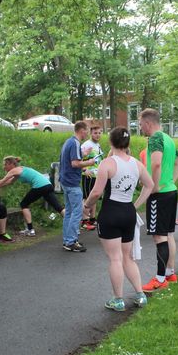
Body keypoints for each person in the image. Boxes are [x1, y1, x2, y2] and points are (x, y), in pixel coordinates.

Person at [85, 127, 154, 311]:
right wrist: (135, 205)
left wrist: (87, 205)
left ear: (111, 142)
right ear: (128, 143)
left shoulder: (107, 163)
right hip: (128, 212)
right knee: (127, 258)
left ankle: (118, 300)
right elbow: (150, 185)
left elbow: (97, 192)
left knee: (115, 259)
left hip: (111, 212)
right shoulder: (137, 164)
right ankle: (140, 295)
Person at [138, 108, 178, 292]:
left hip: (160, 195)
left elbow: (156, 163)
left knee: (159, 236)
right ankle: (170, 273)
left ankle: (160, 279)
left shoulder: (155, 138)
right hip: (170, 191)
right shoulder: (168, 138)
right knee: (167, 234)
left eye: (141, 124)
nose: (140, 128)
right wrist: (171, 180)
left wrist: (154, 186)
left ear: (148, 123)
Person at [0, 156, 64, 236]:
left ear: (11, 164)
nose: (4, 167)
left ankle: (30, 229)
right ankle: (71, 224)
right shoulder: (20, 169)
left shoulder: (14, 170)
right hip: (48, 185)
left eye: (5, 164)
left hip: (40, 186)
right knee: (58, 207)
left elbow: (1, 181)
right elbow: (9, 182)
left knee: (24, 204)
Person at [59, 121, 96, 252]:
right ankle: (71, 241)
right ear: (82, 130)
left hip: (65, 181)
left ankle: (67, 240)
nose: (88, 133)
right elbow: (75, 163)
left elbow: (70, 159)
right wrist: (89, 162)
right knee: (77, 212)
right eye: (87, 130)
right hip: (72, 182)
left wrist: (83, 154)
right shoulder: (75, 143)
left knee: (69, 212)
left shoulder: (68, 142)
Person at [80, 124, 104, 231]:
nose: (98, 135)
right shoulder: (86, 145)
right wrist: (84, 170)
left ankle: (92, 219)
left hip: (96, 175)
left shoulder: (97, 145)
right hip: (88, 175)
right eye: (95, 133)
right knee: (87, 197)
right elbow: (78, 158)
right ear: (91, 133)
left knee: (94, 197)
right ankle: (84, 220)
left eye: (99, 132)